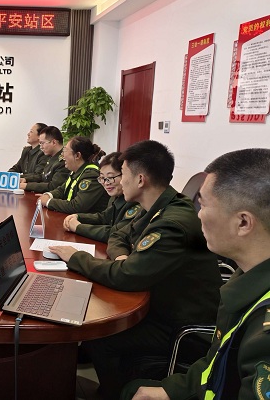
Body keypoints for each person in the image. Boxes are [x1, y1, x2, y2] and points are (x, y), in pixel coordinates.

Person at [49, 140, 222, 400]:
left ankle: (113, 394)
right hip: (161, 302)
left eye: (123, 174)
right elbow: (119, 234)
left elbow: (126, 276)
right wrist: (121, 256)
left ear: (140, 179)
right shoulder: (158, 206)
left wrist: (75, 257)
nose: (120, 181)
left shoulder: (172, 223)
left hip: (179, 323)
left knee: (103, 337)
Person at [122, 148, 270, 400]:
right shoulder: (246, 277)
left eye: (203, 204)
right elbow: (216, 361)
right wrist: (170, 390)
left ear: (243, 222)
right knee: (133, 390)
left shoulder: (264, 335)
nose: (198, 214)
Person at [63, 151, 141, 242]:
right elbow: (104, 217)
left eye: (110, 177)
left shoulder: (136, 201)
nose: (106, 183)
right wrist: (78, 217)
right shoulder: (116, 196)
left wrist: (78, 227)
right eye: (102, 178)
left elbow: (116, 233)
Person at [38, 136, 108, 214]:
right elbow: (62, 190)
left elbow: (77, 206)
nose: (62, 155)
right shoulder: (77, 171)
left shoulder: (91, 176)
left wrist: (48, 202)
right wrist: (49, 195)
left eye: (65, 151)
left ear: (77, 155)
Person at [19, 125, 69, 193]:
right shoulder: (51, 157)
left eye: (42, 143)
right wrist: (25, 179)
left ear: (54, 142)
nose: (41, 147)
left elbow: (53, 186)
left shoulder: (64, 160)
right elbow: (43, 176)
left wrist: (27, 186)